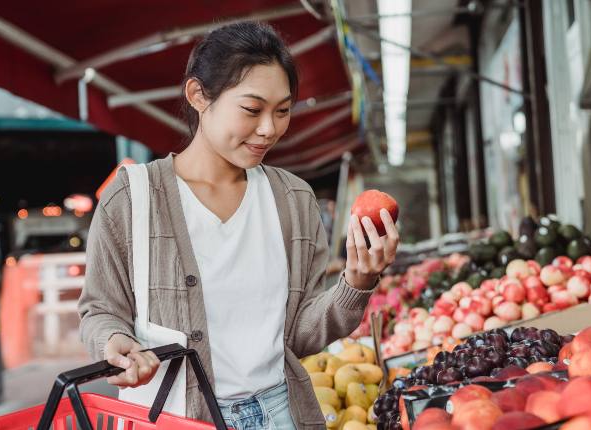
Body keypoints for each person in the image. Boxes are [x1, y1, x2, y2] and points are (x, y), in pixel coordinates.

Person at [78, 21, 399, 430]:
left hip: (281, 414)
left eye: (282, 111)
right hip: (174, 418)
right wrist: (115, 344)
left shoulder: (295, 201)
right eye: (252, 109)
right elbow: (100, 309)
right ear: (198, 95)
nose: (269, 129)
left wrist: (357, 281)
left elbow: (298, 335)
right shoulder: (132, 197)